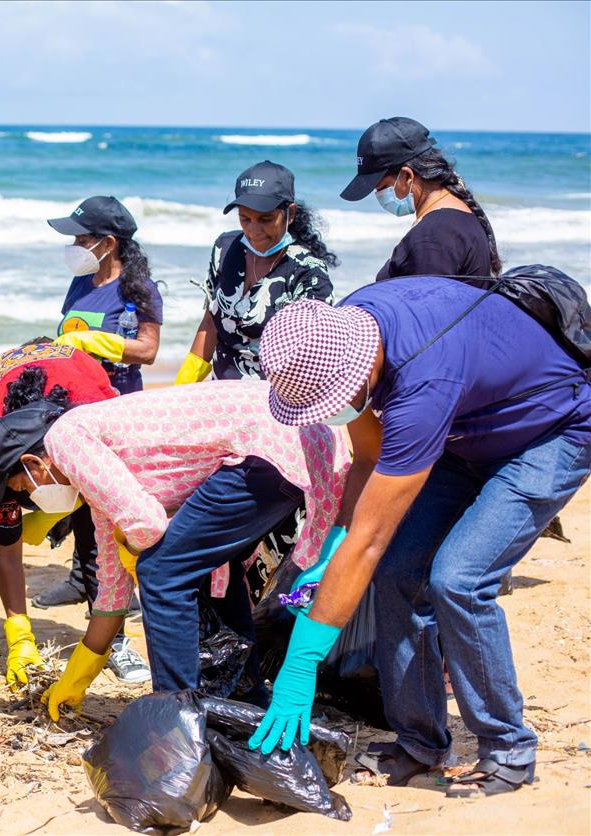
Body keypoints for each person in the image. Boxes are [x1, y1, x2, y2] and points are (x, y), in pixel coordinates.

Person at [252, 288, 590, 799]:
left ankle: (508, 749)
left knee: (459, 579)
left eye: (335, 401)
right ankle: (420, 743)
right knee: (395, 573)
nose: (336, 412)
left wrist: (301, 661)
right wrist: (331, 551)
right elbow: (368, 458)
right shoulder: (349, 329)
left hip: (551, 432)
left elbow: (370, 539)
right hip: (464, 431)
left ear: (360, 372)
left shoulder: (422, 384)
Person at [0, 381, 349, 721]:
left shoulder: (66, 437)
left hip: (270, 441)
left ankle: (175, 716)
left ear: (33, 464)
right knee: (206, 566)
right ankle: (243, 695)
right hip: (297, 438)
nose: (33, 501)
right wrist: (79, 674)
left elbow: (146, 525)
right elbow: (112, 588)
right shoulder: (98, 478)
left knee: (161, 572)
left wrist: (136, 549)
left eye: (24, 490)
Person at [0, 341, 147, 685]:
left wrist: (73, 504)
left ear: (32, 466)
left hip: (79, 401)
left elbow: (112, 539)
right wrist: (20, 632)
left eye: (19, 489)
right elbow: (7, 551)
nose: (18, 499)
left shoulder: (96, 421)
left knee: (96, 536)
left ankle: (115, 641)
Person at [178, 161, 336, 383]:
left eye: (265, 219)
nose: (253, 230)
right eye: (245, 218)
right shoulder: (225, 248)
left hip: (277, 400)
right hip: (220, 394)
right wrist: (183, 386)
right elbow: (210, 323)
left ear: (289, 214)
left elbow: (314, 358)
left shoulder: (308, 273)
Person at [340, 117, 500, 280]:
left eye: (381, 188)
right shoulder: (456, 217)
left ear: (406, 176)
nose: (379, 196)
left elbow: (425, 303)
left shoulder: (434, 235)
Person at [49, 197, 163, 395]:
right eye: (74, 239)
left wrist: (91, 341)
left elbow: (148, 351)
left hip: (117, 399)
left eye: (82, 241)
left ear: (109, 244)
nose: (74, 246)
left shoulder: (141, 288)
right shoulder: (81, 281)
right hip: (74, 394)